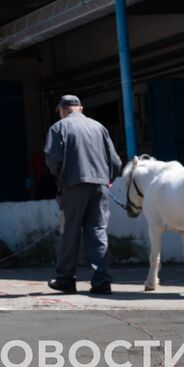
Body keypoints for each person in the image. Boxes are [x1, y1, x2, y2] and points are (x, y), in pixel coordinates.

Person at [44, 94, 123, 295]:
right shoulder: (99, 127)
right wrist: (109, 178)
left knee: (69, 232)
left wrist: (62, 178)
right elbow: (115, 161)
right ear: (81, 108)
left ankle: (66, 280)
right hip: (100, 185)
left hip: (73, 184)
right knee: (97, 231)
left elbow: (53, 160)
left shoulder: (58, 127)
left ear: (62, 110)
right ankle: (102, 281)